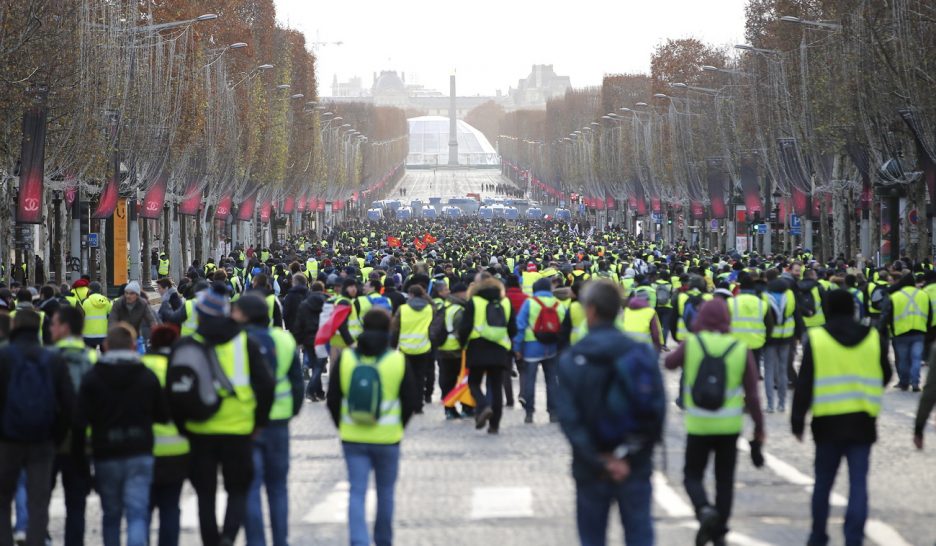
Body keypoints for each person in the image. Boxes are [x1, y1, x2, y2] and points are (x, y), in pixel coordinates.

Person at [556, 280, 664, 546]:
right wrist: (628, 456)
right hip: (634, 465)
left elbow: (569, 419)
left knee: (592, 538)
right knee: (639, 534)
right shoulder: (641, 353)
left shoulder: (572, 358)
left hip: (590, 466)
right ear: (619, 310)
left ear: (590, 310)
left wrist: (598, 460)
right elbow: (657, 411)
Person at [169, 283, 274, 546]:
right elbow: (266, 385)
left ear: (201, 316)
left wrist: (183, 426)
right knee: (238, 489)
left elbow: (173, 392)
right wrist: (259, 422)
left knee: (205, 494)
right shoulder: (244, 342)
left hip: (200, 429)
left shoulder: (186, 346)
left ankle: (211, 542)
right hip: (239, 429)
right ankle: (228, 536)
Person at [792, 290, 891, 546]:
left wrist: (797, 420)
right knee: (858, 483)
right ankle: (853, 538)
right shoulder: (872, 337)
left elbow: (804, 383)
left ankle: (817, 535)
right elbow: (886, 374)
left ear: (827, 310)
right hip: (862, 420)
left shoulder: (817, 338)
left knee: (823, 483)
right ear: (853, 309)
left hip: (826, 422)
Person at [664, 298, 765, 546]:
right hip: (729, 426)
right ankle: (719, 532)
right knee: (724, 480)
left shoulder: (694, 343)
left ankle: (703, 510)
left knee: (692, 475)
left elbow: (668, 363)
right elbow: (752, 394)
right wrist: (759, 428)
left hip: (699, 424)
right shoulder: (739, 348)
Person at [326, 309, 418, 546]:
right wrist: (399, 426)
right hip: (388, 437)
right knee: (385, 492)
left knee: (357, 491)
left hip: (353, 436)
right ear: (389, 329)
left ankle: (359, 541)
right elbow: (410, 401)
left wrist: (342, 426)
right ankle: (383, 540)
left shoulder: (346, 358)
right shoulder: (397, 360)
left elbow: (333, 399)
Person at [74, 322, 169, 546]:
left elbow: (80, 420)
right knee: (137, 514)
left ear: (106, 346)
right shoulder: (146, 376)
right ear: (134, 346)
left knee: (111, 516)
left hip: (106, 451)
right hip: (139, 450)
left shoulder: (93, 377)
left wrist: (82, 460)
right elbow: (163, 415)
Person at [232, 294, 304, 546]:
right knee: (277, 488)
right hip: (278, 421)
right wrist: (291, 410)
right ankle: (280, 541)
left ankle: (255, 541)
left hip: (246, 423)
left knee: (250, 487)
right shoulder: (284, 339)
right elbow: (297, 383)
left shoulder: (236, 342)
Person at [0, 310, 75, 546]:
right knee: (38, 502)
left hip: (7, 440)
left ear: (14, 327)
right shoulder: (52, 358)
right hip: (42, 440)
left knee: (2, 501)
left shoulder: (3, 357)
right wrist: (55, 435)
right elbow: (69, 405)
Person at [49, 307, 97, 546]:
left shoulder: (47, 356)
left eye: (54, 324)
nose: (50, 328)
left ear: (65, 327)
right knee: (76, 506)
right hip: (83, 443)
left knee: (39, 501)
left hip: (49, 440)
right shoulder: (92, 358)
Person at [141, 325, 188, 546]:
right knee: (170, 507)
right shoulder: (182, 367)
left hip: (144, 447)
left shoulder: (141, 367)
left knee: (143, 507)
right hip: (176, 448)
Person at [456, 275, 516, 434]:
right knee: (496, 387)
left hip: (477, 347)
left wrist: (462, 345)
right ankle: (494, 425)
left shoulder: (474, 302)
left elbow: (465, 327)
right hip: (500, 348)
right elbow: (513, 329)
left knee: (474, 383)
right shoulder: (506, 302)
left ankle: (482, 406)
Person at [513, 277, 569, 424]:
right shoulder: (558, 304)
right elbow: (564, 327)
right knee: (551, 380)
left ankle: (529, 413)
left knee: (530, 380)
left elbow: (520, 326)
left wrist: (517, 348)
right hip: (552, 347)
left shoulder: (530, 303)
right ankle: (553, 412)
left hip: (532, 346)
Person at [390, 285, 435, 413]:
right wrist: (426, 296)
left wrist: (393, 347)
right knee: (420, 377)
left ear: (410, 294)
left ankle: (407, 403)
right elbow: (436, 309)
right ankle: (418, 405)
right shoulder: (429, 309)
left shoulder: (402, 309)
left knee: (407, 377)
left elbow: (395, 329)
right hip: (423, 347)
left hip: (406, 348)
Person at [887, 271, 931, 391]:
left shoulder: (895, 297)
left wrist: (890, 329)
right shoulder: (923, 295)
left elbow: (888, 316)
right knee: (916, 358)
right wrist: (926, 328)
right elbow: (929, 314)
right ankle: (915, 382)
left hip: (901, 333)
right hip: (919, 332)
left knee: (903, 359)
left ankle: (904, 382)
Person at [433, 282, 470, 419]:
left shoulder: (443, 306)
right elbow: (462, 331)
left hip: (442, 349)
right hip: (456, 350)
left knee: (446, 380)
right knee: (461, 380)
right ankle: (464, 407)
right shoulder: (459, 310)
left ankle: (449, 408)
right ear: (459, 293)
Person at [294, 281, 328, 401]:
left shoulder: (304, 304)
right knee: (319, 366)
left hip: (308, 339)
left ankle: (317, 392)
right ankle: (312, 391)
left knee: (315, 365)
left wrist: (298, 340)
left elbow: (299, 324)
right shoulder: (327, 303)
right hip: (323, 338)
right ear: (322, 289)